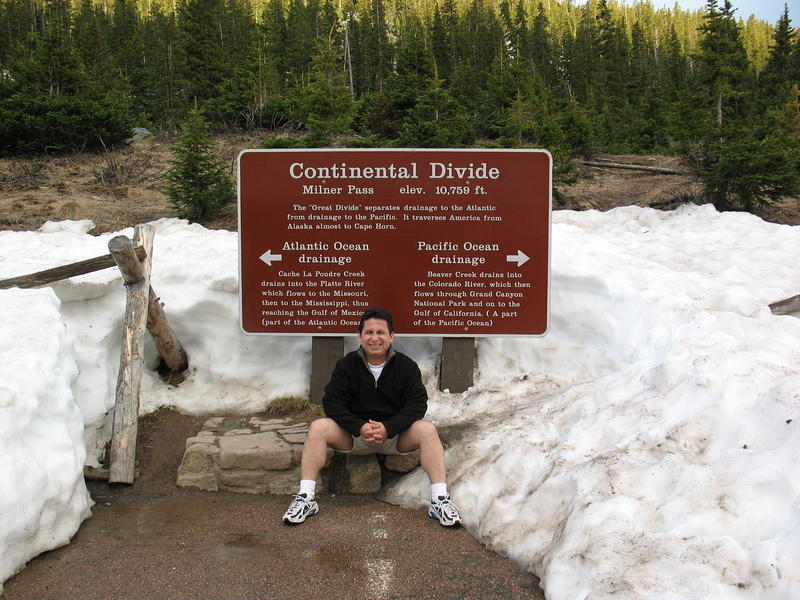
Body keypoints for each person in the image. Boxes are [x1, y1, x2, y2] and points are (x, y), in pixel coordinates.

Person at [282, 307, 462, 527]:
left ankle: (439, 499)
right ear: (359, 335)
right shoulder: (347, 365)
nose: (374, 338)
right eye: (368, 332)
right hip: (354, 436)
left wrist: (388, 427)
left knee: (427, 429)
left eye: (380, 332)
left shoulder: (406, 367)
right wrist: (359, 426)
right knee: (319, 427)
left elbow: (416, 405)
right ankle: (306, 497)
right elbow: (332, 402)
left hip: (395, 437)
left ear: (391, 336)